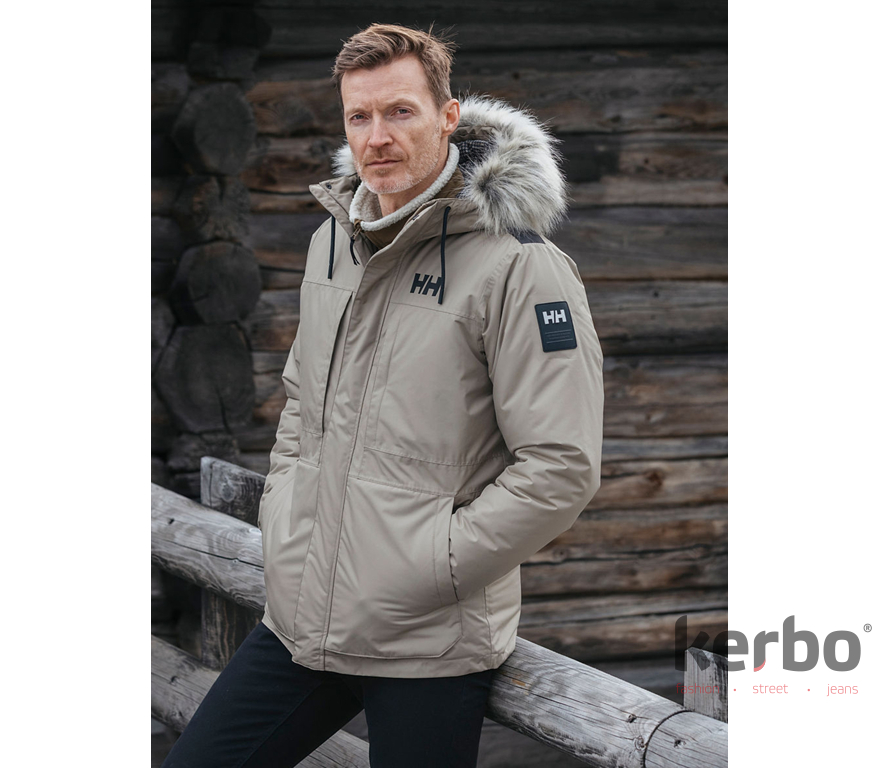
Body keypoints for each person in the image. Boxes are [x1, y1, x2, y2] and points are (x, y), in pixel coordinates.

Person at [162, 22, 604, 768]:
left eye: (400, 111)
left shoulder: (521, 266)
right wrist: (286, 515)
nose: (378, 137)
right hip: (304, 618)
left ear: (448, 116)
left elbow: (561, 465)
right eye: (358, 116)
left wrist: (429, 566)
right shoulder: (333, 241)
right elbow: (302, 401)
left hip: (425, 640)